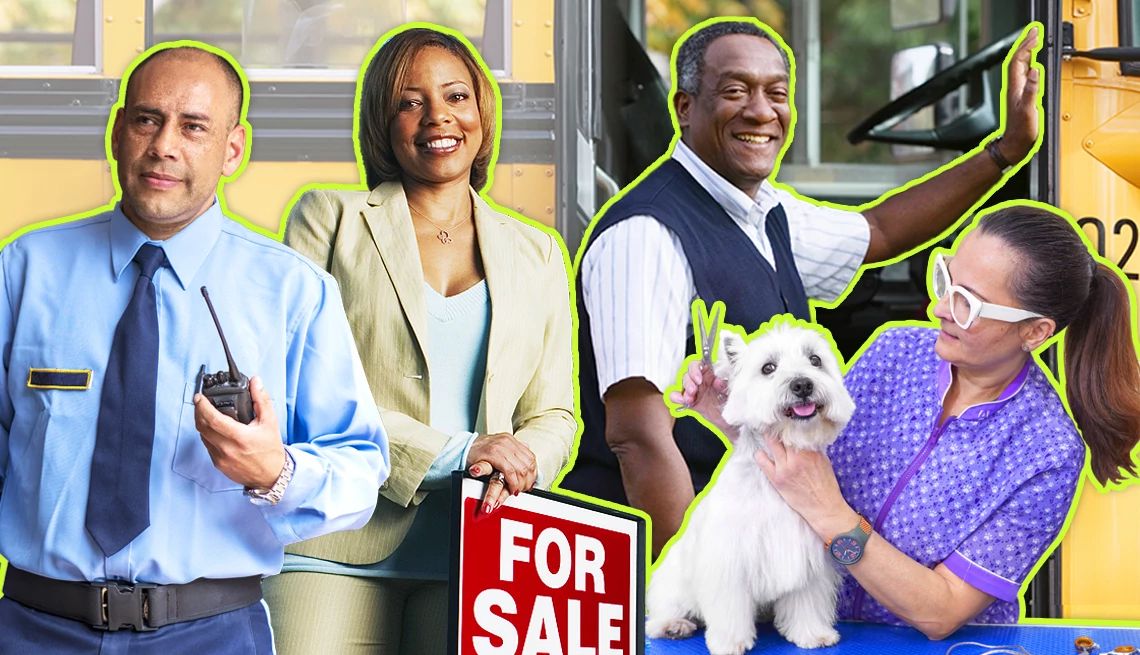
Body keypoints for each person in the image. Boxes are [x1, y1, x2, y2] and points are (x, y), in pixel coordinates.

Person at [557, 16, 1044, 555]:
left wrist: (1005, 151)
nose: (762, 112)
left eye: (777, 93)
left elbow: (879, 231)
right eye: (735, 91)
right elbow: (638, 437)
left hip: (752, 545)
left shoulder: (764, 213)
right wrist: (687, 602)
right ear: (685, 108)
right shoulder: (645, 234)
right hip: (669, 570)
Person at [0, 43, 390, 653]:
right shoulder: (25, 270)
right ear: (118, 131)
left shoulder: (293, 290)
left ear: (233, 149)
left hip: (211, 634)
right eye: (147, 119)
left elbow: (361, 469)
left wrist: (275, 473)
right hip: (33, 629)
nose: (163, 145)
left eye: (194, 126)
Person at [671, 203, 1140, 638]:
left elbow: (943, 611)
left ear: (1035, 332)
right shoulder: (896, 352)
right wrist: (738, 416)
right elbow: (803, 453)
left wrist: (832, 516)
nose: (939, 308)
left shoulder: (1046, 453)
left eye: (967, 303)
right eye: (945, 280)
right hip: (810, 632)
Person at [262, 25, 576, 655]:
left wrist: (522, 463)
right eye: (410, 101)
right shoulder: (329, 219)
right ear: (385, 122)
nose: (439, 117)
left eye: (456, 96)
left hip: (483, 557)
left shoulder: (539, 252)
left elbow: (553, 413)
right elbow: (298, 392)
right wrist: (462, 451)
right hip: (334, 546)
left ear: (482, 112)